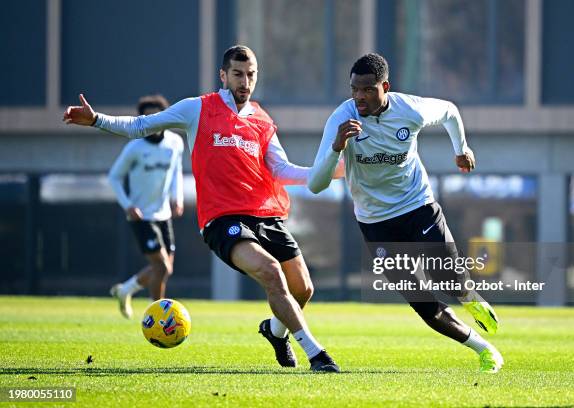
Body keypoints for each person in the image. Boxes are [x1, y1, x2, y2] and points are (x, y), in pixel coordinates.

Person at [63, 45, 340, 373]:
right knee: (270, 272)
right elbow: (141, 126)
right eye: (237, 74)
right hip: (223, 219)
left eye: (251, 75)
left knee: (303, 289)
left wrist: (327, 170)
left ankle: (276, 333)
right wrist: (96, 120)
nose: (245, 81)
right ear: (223, 76)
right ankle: (317, 354)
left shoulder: (263, 120)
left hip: (266, 214)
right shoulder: (198, 108)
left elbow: (281, 169)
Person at [308, 53, 503, 373]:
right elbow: (316, 184)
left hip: (417, 206)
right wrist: (336, 148)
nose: (359, 97)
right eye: (354, 90)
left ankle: (471, 298)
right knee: (423, 303)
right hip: (375, 222)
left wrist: (461, 149)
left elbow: (450, 112)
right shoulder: (340, 120)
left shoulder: (409, 109)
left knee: (449, 278)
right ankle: (484, 350)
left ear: (385, 87)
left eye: (368, 90)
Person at [107, 95, 184, 319]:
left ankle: (125, 290)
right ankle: (158, 316)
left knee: (163, 269)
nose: (152, 122)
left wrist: (177, 196)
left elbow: (176, 171)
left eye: (156, 117)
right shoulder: (134, 147)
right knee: (162, 268)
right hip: (141, 216)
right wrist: (128, 205)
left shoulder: (175, 143)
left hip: (164, 214)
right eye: (147, 117)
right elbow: (114, 177)